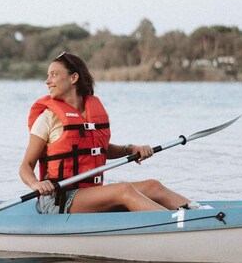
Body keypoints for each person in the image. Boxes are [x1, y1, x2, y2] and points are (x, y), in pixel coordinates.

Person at [19, 52, 199, 214]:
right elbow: (26, 166)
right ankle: (176, 224)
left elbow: (98, 149)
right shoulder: (47, 118)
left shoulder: (91, 113)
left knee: (153, 186)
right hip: (59, 199)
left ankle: (203, 214)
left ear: (73, 78)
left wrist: (129, 149)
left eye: (54, 74)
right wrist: (37, 184)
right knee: (123, 190)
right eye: (48, 75)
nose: (47, 81)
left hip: (87, 193)